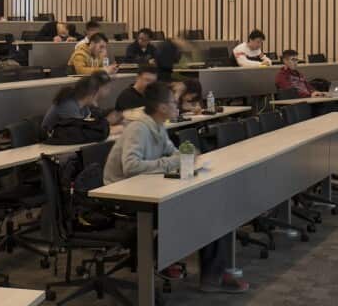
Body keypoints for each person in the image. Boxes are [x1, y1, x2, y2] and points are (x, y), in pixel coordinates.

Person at [104, 82, 249, 292]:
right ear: (162, 107)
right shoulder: (139, 128)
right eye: (173, 102)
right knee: (203, 210)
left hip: (145, 187)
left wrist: (185, 155)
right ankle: (205, 274)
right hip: (123, 196)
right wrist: (174, 162)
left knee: (215, 204)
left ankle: (207, 271)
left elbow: (173, 153)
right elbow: (131, 167)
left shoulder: (158, 125)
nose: (177, 106)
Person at [41, 71, 120, 135]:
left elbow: (88, 125)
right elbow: (81, 130)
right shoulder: (68, 104)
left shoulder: (84, 106)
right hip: (48, 139)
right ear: (91, 93)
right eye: (96, 94)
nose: (96, 98)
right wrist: (108, 127)